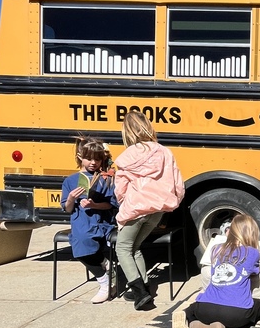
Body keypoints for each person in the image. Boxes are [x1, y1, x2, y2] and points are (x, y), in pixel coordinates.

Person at [114, 111, 185, 311]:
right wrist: (173, 202)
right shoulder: (165, 152)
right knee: (135, 247)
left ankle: (139, 293)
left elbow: (120, 188)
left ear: (127, 132)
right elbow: (178, 183)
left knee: (122, 248)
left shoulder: (126, 156)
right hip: (157, 210)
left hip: (135, 208)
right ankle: (143, 287)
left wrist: (123, 203)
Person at [171, 213, 260, 328]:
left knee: (194, 307)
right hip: (236, 313)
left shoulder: (216, 249)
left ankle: (187, 316)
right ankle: (224, 327)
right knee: (259, 305)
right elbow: (255, 272)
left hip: (205, 309)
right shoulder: (253, 252)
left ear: (230, 231)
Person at [60, 137, 118, 304]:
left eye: (97, 159)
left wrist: (94, 204)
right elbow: (67, 208)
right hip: (81, 220)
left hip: (101, 220)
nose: (93, 163)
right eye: (89, 159)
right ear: (80, 157)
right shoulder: (70, 180)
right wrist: (71, 198)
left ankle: (106, 279)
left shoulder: (106, 178)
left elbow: (111, 205)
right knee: (80, 242)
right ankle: (104, 279)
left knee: (86, 239)